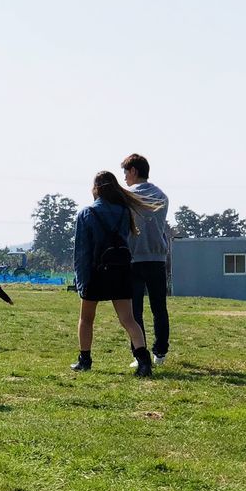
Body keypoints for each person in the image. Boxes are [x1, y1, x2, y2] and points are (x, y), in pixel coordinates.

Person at [71, 170, 159, 377]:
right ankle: (143, 361)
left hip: (96, 272)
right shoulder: (124, 211)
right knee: (129, 319)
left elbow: (81, 251)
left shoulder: (87, 213)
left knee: (86, 319)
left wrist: (81, 280)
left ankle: (85, 360)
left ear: (96, 189)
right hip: (121, 271)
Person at [121, 153, 170, 367]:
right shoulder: (161, 195)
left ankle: (139, 353)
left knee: (135, 311)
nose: (124, 178)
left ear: (133, 171)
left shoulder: (125, 196)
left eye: (125, 172)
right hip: (157, 258)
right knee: (159, 307)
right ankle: (160, 351)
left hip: (133, 259)